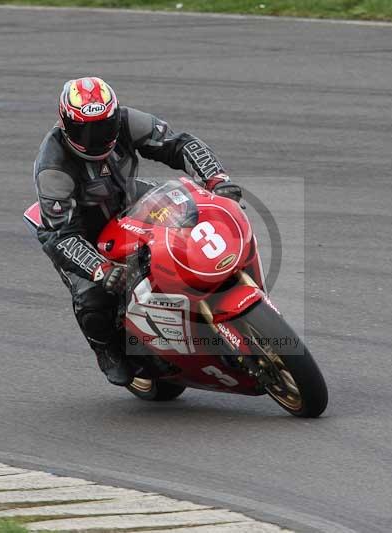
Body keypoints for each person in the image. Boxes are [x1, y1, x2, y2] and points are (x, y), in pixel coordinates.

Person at [32, 77, 242, 386]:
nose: (97, 137)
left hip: (131, 200)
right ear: (66, 125)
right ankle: (106, 348)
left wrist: (215, 177)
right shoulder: (53, 167)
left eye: (104, 126)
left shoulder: (129, 121)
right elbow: (61, 235)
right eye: (86, 130)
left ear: (115, 116)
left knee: (196, 215)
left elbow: (179, 142)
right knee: (94, 299)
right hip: (82, 232)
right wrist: (100, 269)